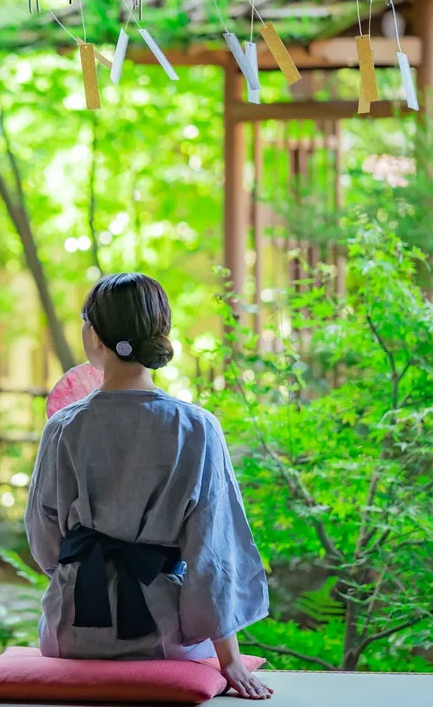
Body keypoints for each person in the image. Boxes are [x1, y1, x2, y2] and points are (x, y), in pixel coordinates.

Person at [25, 273, 273, 700]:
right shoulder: (196, 428)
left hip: (72, 631)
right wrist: (228, 658)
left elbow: (45, 545)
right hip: (163, 636)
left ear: (94, 335)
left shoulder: (64, 427)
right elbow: (213, 551)